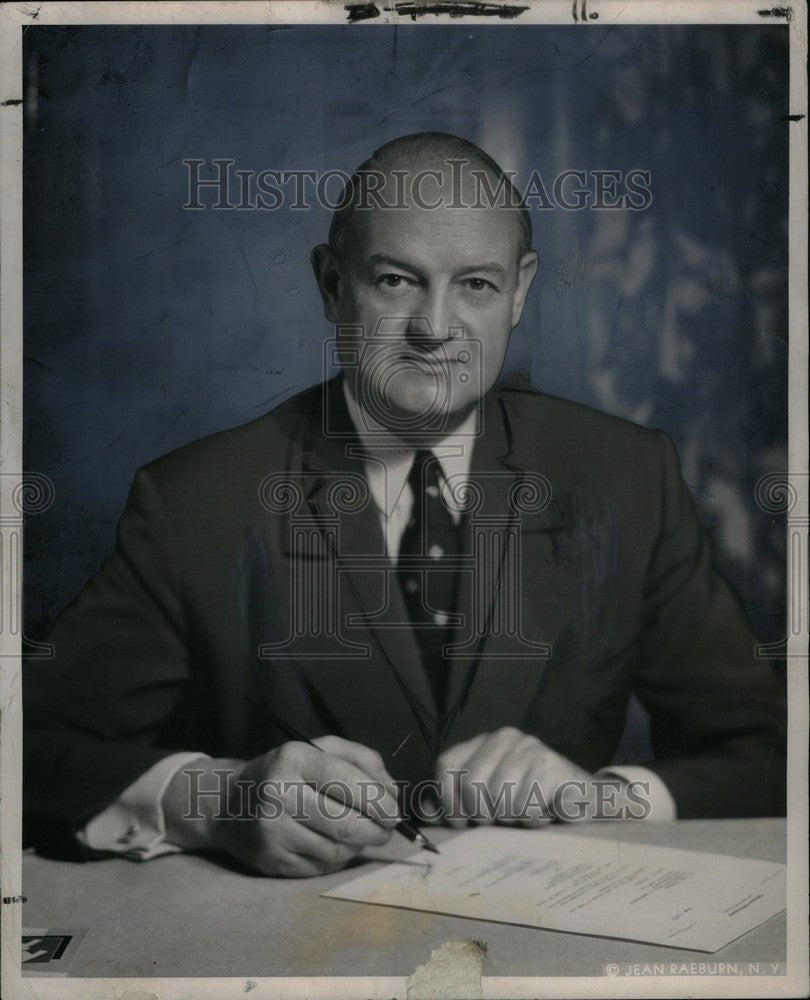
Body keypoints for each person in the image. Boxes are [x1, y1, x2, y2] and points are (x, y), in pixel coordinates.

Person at [24, 132, 786, 878]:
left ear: (520, 291)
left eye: (476, 285)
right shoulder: (197, 501)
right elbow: (29, 747)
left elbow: (775, 755)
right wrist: (217, 799)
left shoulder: (626, 476)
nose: (434, 328)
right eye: (396, 280)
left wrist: (604, 799)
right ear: (331, 285)